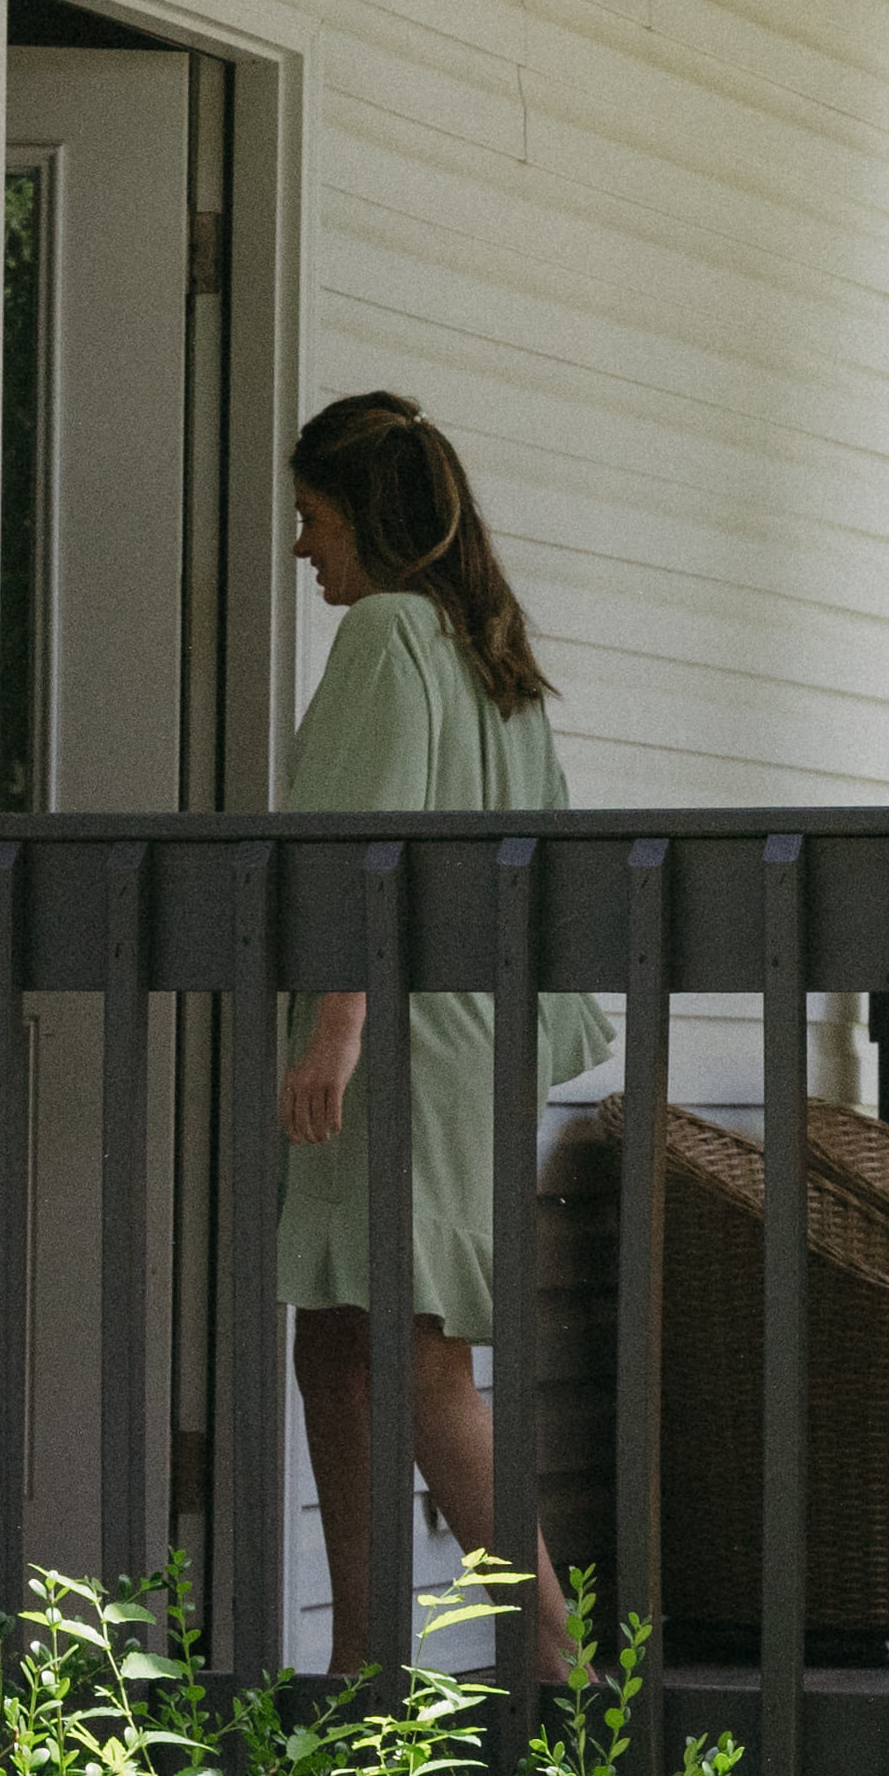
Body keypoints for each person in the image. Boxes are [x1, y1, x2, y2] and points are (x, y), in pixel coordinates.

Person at [266, 391, 577, 1616]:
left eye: (309, 516)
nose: (301, 548)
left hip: (392, 1043)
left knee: (415, 1361)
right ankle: (363, 1660)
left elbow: (362, 848)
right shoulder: (489, 653)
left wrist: (333, 1032)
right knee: (340, 1349)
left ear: (365, 514)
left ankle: (552, 1656)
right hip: (468, 1042)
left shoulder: (390, 632)